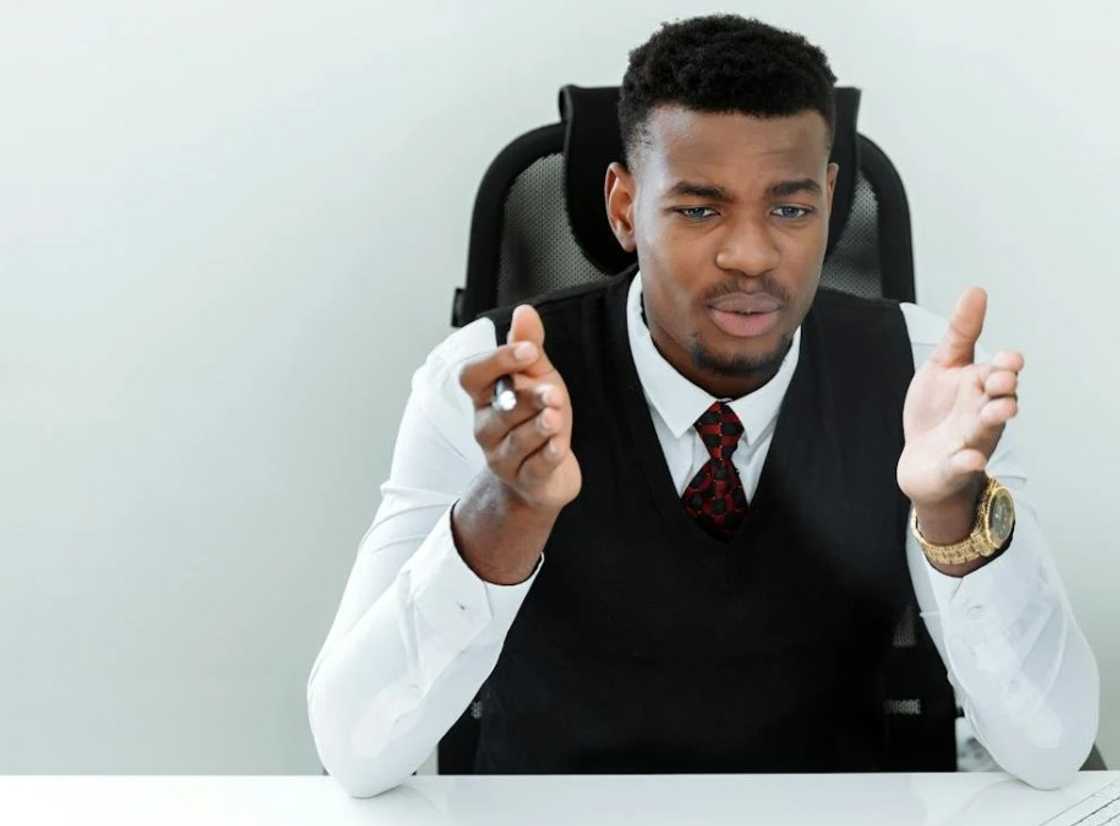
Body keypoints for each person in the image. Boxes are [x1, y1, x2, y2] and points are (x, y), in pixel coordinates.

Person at [306, 14, 1099, 798]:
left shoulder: (930, 382)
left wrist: (953, 512)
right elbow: (355, 749)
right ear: (624, 207)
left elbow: (1054, 747)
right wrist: (504, 507)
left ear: (829, 199)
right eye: (698, 208)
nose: (750, 255)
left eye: (790, 209)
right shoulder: (490, 383)